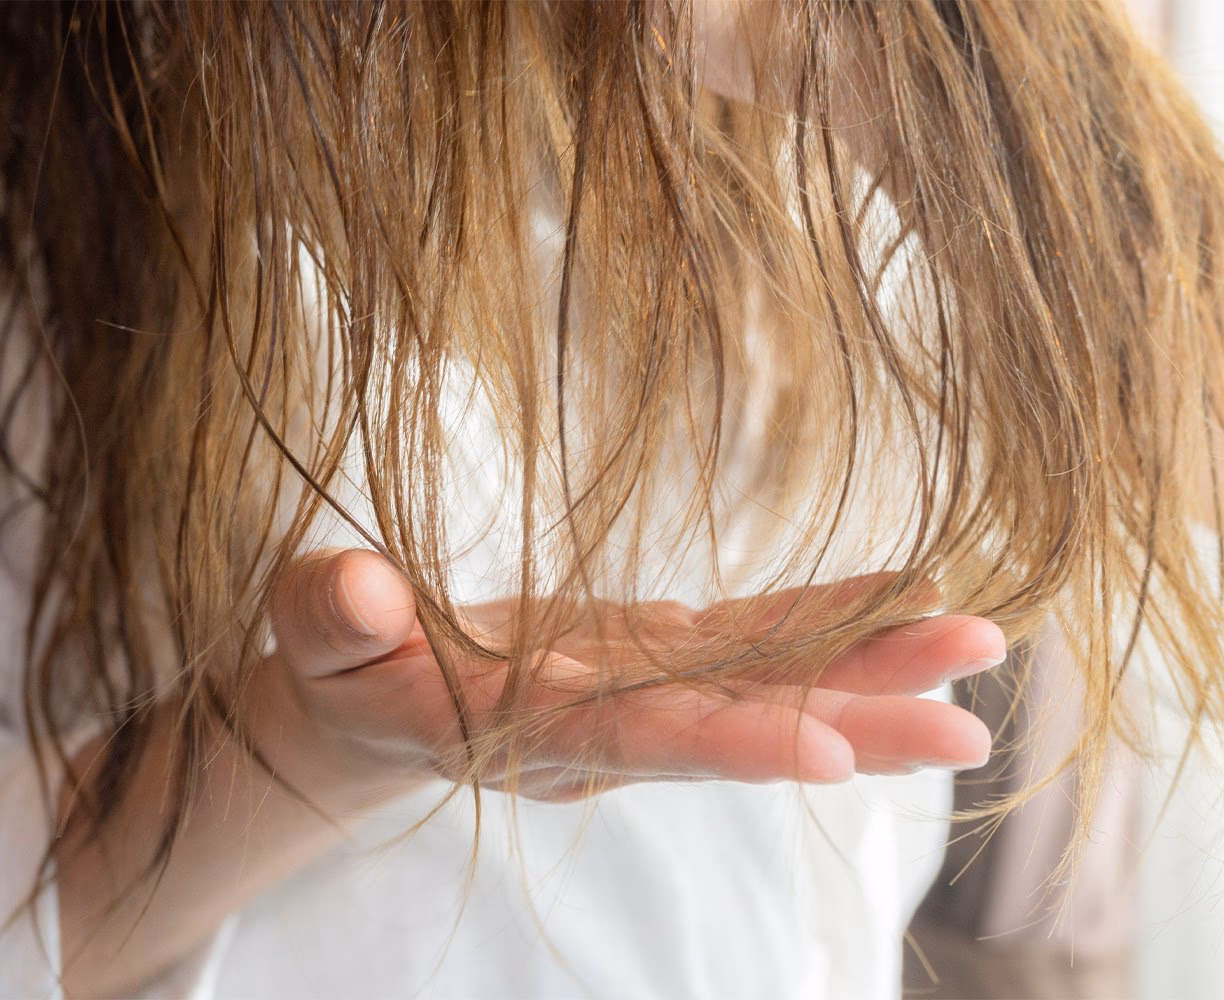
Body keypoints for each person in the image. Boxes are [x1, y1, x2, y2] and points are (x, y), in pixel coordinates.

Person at [2, 2, 1221, 997]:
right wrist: (306, 745)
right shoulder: (85, 160)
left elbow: (1191, 450)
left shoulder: (804, 134)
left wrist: (889, 66)